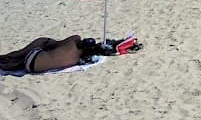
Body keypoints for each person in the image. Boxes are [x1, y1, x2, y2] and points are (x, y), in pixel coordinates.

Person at [0, 34, 137, 73]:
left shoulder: (71, 44)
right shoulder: (77, 59)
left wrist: (50, 43)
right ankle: (14, 60)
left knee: (43, 41)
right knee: (48, 46)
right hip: (33, 66)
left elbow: (72, 38)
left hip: (34, 57)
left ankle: (11, 56)